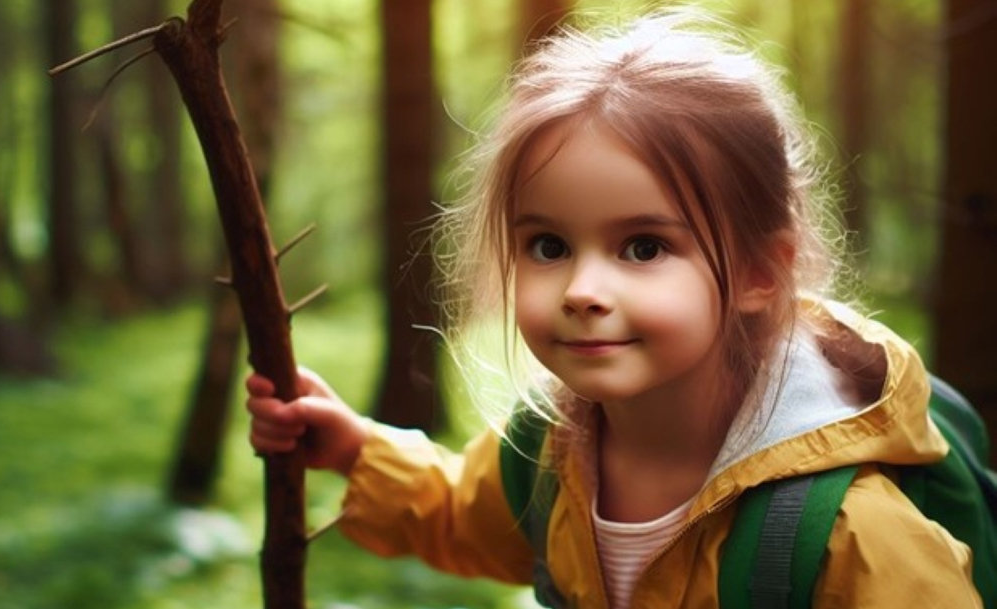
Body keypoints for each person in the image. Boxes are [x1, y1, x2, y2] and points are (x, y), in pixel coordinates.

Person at [245, 9, 981, 609]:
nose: (580, 289)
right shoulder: (550, 452)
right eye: (547, 245)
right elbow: (461, 514)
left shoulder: (844, 533)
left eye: (641, 247)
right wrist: (353, 448)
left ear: (760, 270)